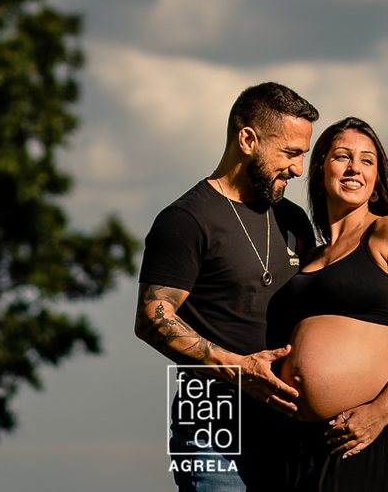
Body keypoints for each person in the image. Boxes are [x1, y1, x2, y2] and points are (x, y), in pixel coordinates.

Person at [135, 82, 320, 491]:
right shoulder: (185, 219)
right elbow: (151, 317)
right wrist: (241, 368)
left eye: (303, 155)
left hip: (288, 432)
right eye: (290, 153)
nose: (298, 169)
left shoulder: (293, 219)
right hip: (211, 434)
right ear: (248, 139)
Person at [262, 117, 388, 490]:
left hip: (358, 436)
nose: (354, 168)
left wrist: (380, 413)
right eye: (342, 157)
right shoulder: (308, 255)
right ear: (320, 168)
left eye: (367, 161)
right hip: (294, 443)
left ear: (377, 179)